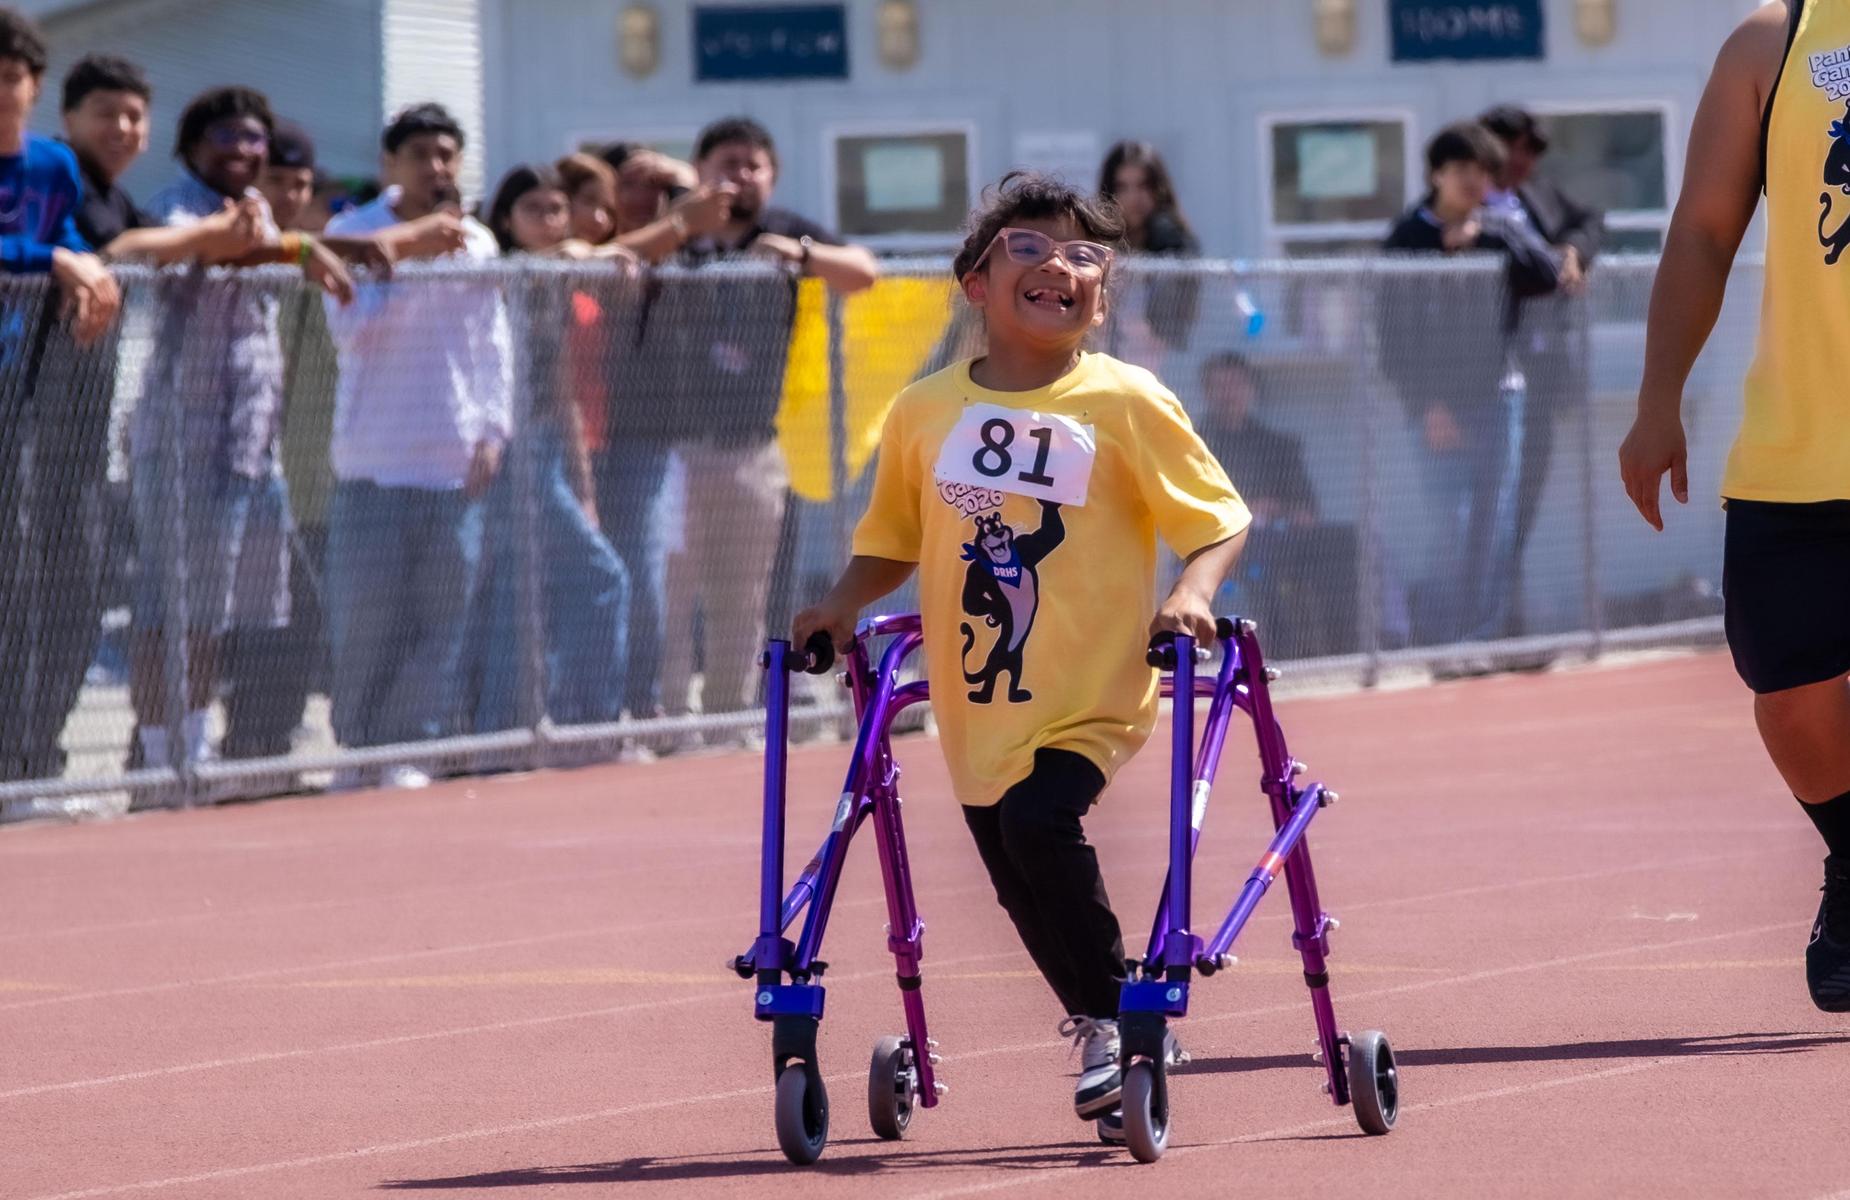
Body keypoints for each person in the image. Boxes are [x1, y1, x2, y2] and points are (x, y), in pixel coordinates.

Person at [793, 173, 1251, 1138]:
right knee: (1012, 867)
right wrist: (837, 604)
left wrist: (1191, 593)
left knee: (1043, 826)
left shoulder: (1127, 399)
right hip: (977, 697)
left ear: (1104, 292)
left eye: (1085, 256)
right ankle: (1101, 1016)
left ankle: (1126, 1026)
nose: (1059, 267)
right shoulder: (925, 412)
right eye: (1030, 248)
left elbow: (1217, 521)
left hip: (1095, 688)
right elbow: (891, 540)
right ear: (975, 284)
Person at [1618, 0, 1850, 1012]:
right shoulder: (1777, 38)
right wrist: (1655, 398)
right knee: (1785, 689)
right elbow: (1706, 228)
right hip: (1800, 441)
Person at [127, 85, 372, 777]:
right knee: (169, 613)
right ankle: (157, 765)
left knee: (218, 616)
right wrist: (292, 247)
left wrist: (295, 243)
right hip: (185, 440)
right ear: (192, 145)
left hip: (250, 448)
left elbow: (268, 248)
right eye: (225, 136)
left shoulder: (259, 214)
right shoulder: (182, 203)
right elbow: (167, 248)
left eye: (252, 138)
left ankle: (194, 757)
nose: (240, 149)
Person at [654, 116, 877, 745]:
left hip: (754, 447)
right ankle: (671, 722)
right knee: (673, 592)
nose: (740, 177)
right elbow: (620, 257)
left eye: (753, 165)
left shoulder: (783, 231)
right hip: (676, 450)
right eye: (726, 163)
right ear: (699, 170)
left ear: (772, 176)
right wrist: (681, 218)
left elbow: (864, 271)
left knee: (742, 595)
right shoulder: (679, 231)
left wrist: (802, 257)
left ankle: (728, 719)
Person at [321, 102, 505, 790]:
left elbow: (493, 345)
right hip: (373, 463)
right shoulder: (351, 233)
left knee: (442, 620)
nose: (436, 167)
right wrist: (400, 251)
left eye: (447, 155)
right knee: (367, 620)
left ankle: (407, 747)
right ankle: (359, 749)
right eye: (421, 154)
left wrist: (493, 431)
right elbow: (350, 331)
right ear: (388, 165)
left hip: (452, 464)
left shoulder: (480, 243)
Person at [1380, 122, 1559, 659]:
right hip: (1437, 407)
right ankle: (1444, 641)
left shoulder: (1498, 226)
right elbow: (1393, 334)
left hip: (1499, 398)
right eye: (1461, 171)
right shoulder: (1408, 237)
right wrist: (1427, 404)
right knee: (1451, 527)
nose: (1473, 181)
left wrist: (1487, 236)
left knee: (1495, 525)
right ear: (1437, 174)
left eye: (1482, 172)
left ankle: (1482, 642)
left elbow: (1546, 273)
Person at [0, 12, 123, 786]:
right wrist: (59, 259)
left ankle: (32, 753)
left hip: (37, 403)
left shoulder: (51, 166)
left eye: (10, 78)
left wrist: (79, 261)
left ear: (35, 87)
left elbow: (82, 238)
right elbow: (52, 252)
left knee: (63, 580)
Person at [470, 162, 629, 733]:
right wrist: (587, 255)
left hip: (545, 451)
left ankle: (535, 725)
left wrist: (582, 488)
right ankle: (576, 723)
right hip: (501, 449)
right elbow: (563, 258)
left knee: (529, 589)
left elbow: (564, 392)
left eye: (557, 209)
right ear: (507, 221)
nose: (549, 220)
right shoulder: (503, 269)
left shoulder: (559, 283)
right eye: (534, 210)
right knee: (598, 577)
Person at [1479, 105, 1606, 632]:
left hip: (1542, 377)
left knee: (1524, 505)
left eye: (1535, 152)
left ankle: (1510, 621)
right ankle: (1480, 624)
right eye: (1521, 149)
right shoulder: (1464, 205)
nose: (1528, 162)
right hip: (1485, 386)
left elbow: (1591, 220)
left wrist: (1572, 252)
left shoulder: (1539, 195)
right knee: (1486, 513)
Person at [1196, 353, 1359, 659]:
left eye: (1236, 384)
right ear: (1207, 393)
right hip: (1231, 545)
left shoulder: (1276, 444)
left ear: (1251, 389)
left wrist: (1282, 511)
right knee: (1260, 573)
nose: (1229, 394)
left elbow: (1306, 507)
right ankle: (1269, 656)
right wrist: (1248, 509)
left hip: (1288, 539)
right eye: (1220, 386)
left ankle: (1349, 650)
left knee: (1347, 542)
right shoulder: (1197, 446)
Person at [1097, 140, 1200, 351]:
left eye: (1143, 186)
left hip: (1164, 358)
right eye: (1122, 187)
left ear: (1159, 189)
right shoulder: (1095, 244)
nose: (1133, 198)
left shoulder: (1176, 246)